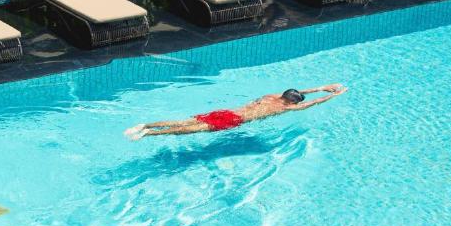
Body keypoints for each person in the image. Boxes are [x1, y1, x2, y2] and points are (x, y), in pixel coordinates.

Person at [124, 84, 348, 139]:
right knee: (188, 130)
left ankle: (146, 124)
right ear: (291, 103)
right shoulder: (283, 108)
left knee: (183, 121)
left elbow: (298, 91)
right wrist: (332, 95)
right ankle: (148, 134)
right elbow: (311, 103)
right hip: (233, 121)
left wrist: (320, 86)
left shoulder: (273, 96)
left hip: (227, 112)